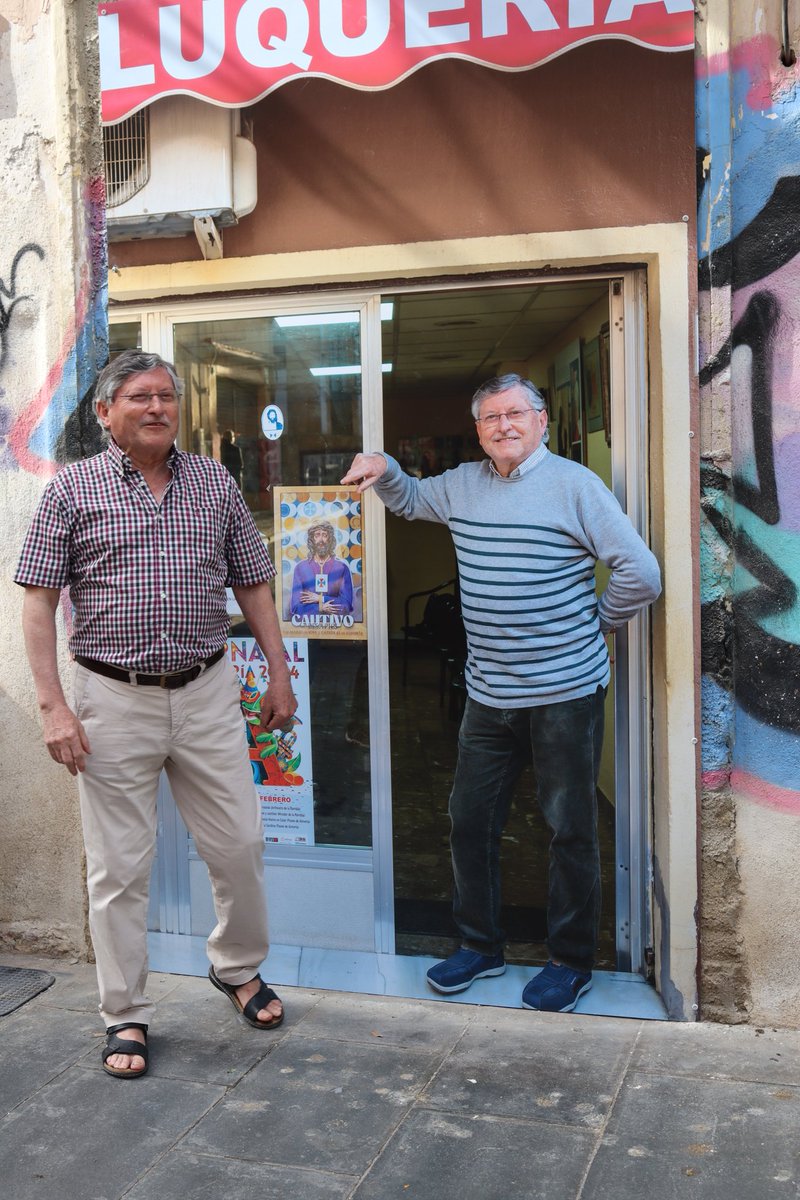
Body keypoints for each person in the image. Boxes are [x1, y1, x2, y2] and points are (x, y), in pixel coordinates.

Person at [15, 350, 297, 1078]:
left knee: (239, 843)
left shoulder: (214, 482)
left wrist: (277, 672)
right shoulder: (71, 491)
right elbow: (38, 604)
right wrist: (53, 706)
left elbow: (254, 582)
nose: (157, 407)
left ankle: (236, 967)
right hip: (111, 697)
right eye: (139, 397)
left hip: (206, 690)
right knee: (119, 869)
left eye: (167, 396)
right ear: (105, 412)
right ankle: (126, 1013)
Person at [342, 373, 661, 1014]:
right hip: (489, 694)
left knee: (569, 829)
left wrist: (593, 624)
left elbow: (641, 572)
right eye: (490, 417)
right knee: (469, 822)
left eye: (516, 413)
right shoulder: (462, 484)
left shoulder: (576, 486)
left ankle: (570, 961)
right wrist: (383, 468)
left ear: (542, 420)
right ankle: (480, 947)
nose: (504, 425)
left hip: (565, 694)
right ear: (479, 430)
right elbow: (408, 500)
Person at [289, 520, 354, 618]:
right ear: (312, 539)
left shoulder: (341, 568)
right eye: (317, 535)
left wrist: (321, 598)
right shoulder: (301, 568)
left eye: (325, 535)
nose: (321, 540)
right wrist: (320, 608)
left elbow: (346, 605)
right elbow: (295, 607)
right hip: (307, 629)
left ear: (330, 539)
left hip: (337, 629)